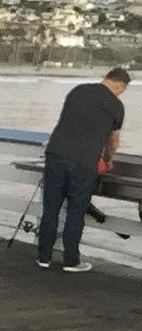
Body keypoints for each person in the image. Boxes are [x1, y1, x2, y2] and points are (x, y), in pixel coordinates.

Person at [38, 66, 131, 273]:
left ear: (105, 78)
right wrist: (108, 158)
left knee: (50, 209)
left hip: (56, 154)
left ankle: (43, 257)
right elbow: (113, 140)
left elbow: (67, 121)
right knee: (76, 211)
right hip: (84, 162)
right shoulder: (117, 106)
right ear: (122, 87)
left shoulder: (78, 90)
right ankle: (70, 261)